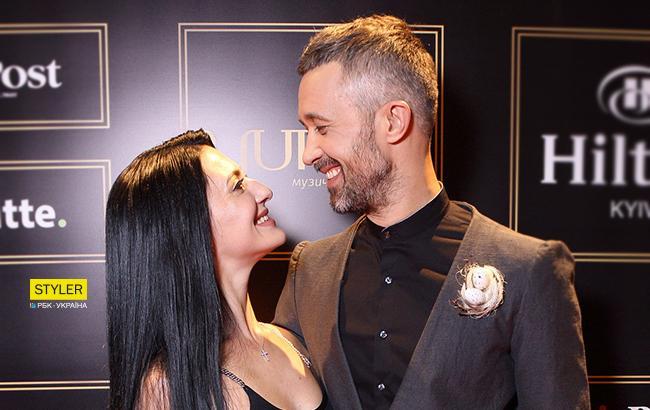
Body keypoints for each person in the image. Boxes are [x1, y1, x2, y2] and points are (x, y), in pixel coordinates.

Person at [274, 15, 590, 409]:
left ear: (394, 121)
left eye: (321, 128)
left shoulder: (527, 269)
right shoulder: (309, 270)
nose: (308, 154)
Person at [106, 130, 327, 409]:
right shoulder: (167, 388)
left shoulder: (293, 339)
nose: (264, 192)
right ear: (191, 227)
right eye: (238, 186)